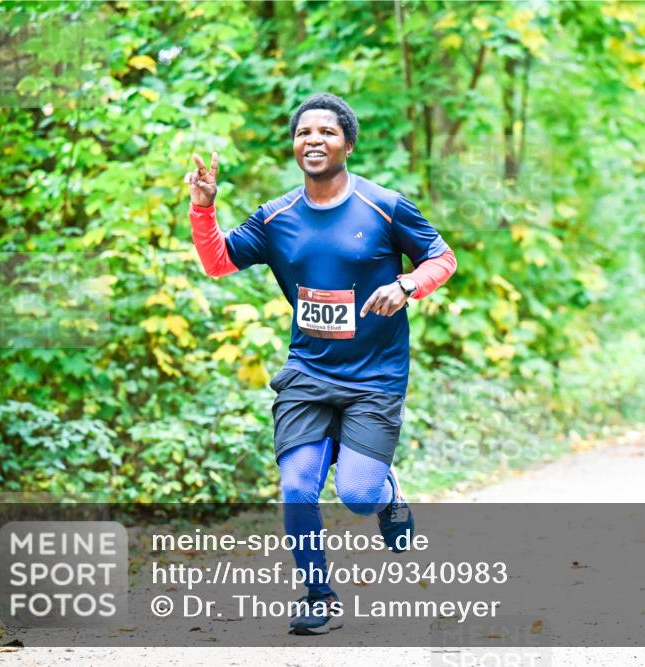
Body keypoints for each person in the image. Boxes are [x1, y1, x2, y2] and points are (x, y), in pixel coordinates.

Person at [184, 93, 457, 634]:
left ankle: (388, 495)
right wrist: (203, 207)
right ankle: (318, 595)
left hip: (375, 377)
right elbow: (217, 262)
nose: (314, 139)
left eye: (327, 132)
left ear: (347, 144)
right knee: (297, 485)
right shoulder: (277, 217)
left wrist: (407, 286)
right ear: (294, 145)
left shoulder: (386, 206)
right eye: (304, 132)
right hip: (308, 374)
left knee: (357, 495)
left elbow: (442, 258)